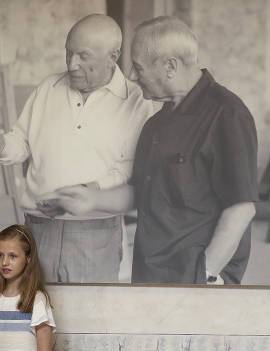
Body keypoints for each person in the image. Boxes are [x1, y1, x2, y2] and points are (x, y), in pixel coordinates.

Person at [49, 16, 258, 285]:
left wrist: (206, 277)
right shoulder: (155, 124)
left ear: (170, 66)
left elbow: (241, 209)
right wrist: (92, 200)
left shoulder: (228, 114)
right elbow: (141, 191)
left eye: (138, 67)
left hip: (197, 279)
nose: (133, 76)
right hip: (151, 271)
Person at [0, 14, 153, 283]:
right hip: (38, 228)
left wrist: (86, 194)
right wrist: (0, 143)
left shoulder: (136, 100)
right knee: (36, 314)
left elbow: (129, 169)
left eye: (83, 56)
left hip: (94, 233)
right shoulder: (48, 88)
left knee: (90, 319)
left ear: (113, 56)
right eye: (68, 53)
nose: (72, 64)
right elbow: (22, 141)